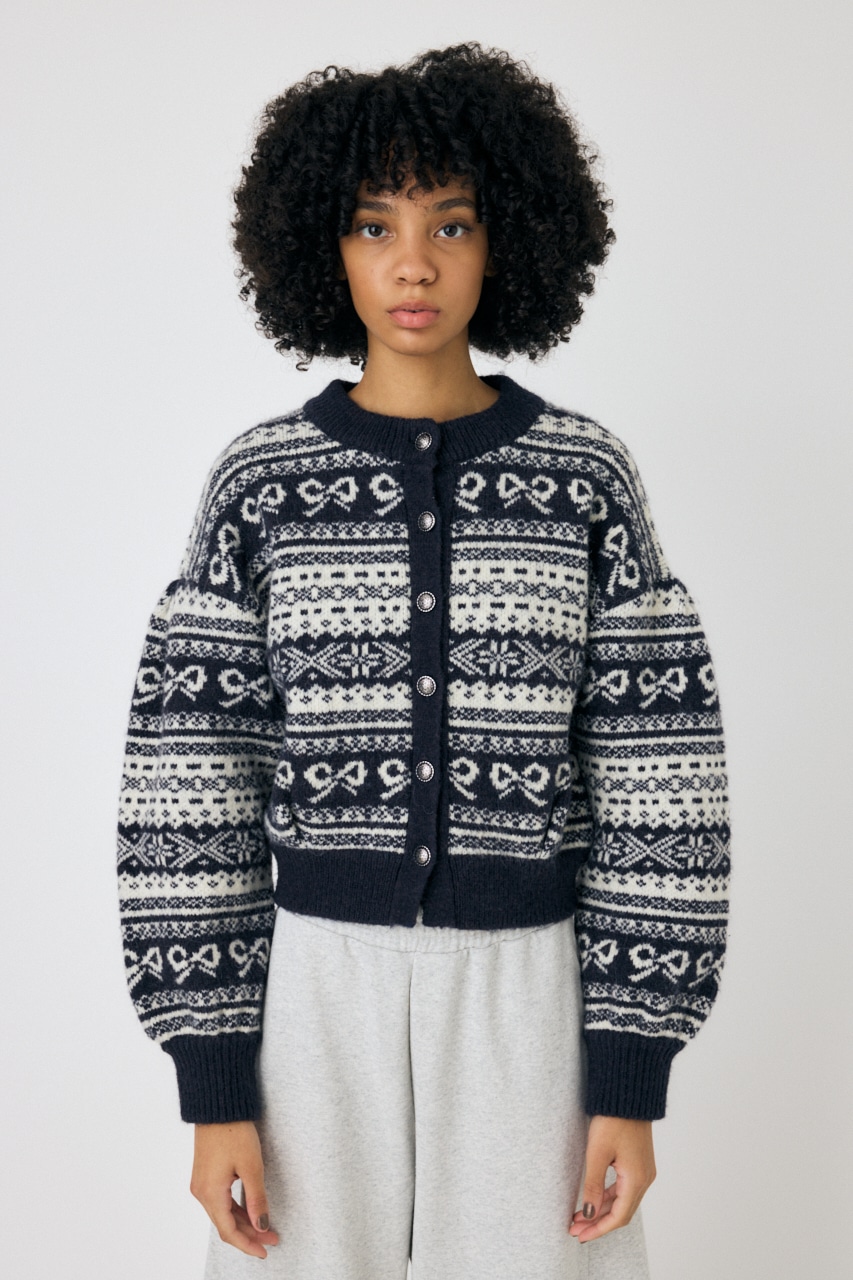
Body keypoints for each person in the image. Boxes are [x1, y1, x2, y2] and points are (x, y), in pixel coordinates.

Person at [116, 40, 731, 1280]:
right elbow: (189, 785)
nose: (412, 263)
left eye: (451, 224)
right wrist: (212, 1081)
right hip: (313, 993)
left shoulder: (583, 479)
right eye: (373, 224)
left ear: (508, 240)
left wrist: (631, 1073)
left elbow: (662, 783)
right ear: (323, 247)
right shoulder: (262, 485)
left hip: (531, 993)